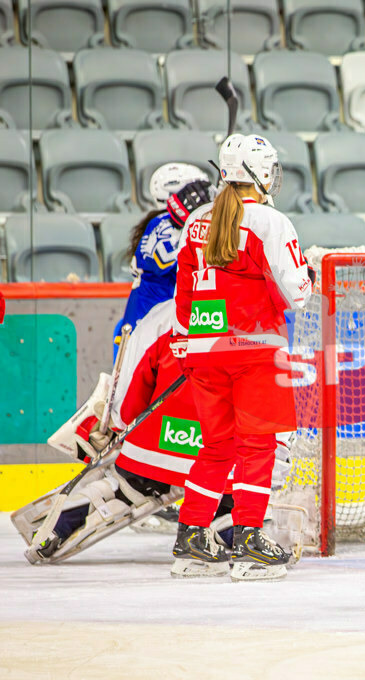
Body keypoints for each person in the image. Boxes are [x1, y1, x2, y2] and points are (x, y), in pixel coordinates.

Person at [16, 301, 290, 564]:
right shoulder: (262, 323)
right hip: (224, 462)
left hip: (156, 453)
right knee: (233, 495)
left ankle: (90, 504)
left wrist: (116, 429)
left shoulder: (163, 315)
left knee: (126, 486)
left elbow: (125, 407)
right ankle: (229, 525)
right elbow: (271, 416)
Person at [171, 133, 311, 581]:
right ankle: (249, 537)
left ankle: (191, 536)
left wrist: (189, 346)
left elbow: (184, 296)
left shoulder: (196, 221)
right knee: (258, 446)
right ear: (262, 173)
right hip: (253, 351)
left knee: (216, 446)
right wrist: (307, 271)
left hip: (203, 351)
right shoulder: (270, 221)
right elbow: (298, 293)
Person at [112, 163, 213, 358]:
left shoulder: (179, 227)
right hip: (147, 330)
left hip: (165, 328)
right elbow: (167, 260)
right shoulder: (162, 225)